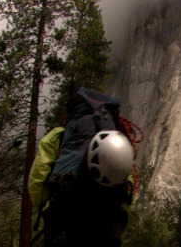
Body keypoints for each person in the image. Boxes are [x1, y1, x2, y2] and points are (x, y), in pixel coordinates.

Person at [28, 89, 141, 247]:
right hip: (107, 224)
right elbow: (128, 182)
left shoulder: (58, 136)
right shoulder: (117, 140)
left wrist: (47, 205)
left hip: (63, 221)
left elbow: (37, 180)